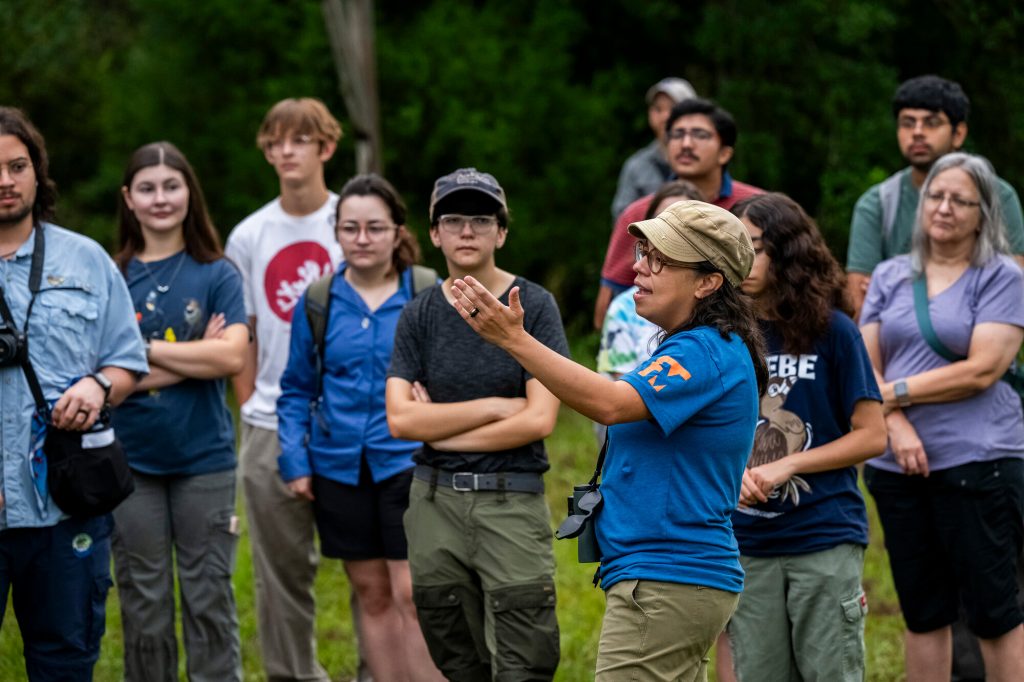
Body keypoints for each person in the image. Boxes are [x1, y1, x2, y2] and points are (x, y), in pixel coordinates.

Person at [451, 199, 766, 681]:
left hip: (669, 575)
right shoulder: (701, 344)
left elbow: (611, 403)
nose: (638, 267)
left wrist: (515, 340)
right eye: (642, 251)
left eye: (660, 258)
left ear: (708, 282)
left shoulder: (704, 349)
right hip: (671, 577)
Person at [385, 168, 568, 680]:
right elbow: (400, 419)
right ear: (435, 233)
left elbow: (538, 419)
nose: (467, 231)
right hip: (434, 503)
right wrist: (496, 406)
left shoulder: (533, 306)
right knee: (456, 656)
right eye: (454, 219)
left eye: (481, 220)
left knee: (525, 658)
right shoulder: (418, 315)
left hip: (510, 499)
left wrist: (436, 426)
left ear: (501, 233)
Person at [860, 152, 1024, 681]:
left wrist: (894, 396)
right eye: (935, 195)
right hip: (895, 467)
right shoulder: (888, 275)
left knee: (994, 610)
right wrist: (897, 422)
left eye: (961, 200)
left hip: (979, 462)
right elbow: (867, 369)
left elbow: (982, 370)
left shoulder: (1002, 277)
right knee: (921, 607)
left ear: (984, 214)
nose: (945, 208)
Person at [0, 106, 148, 680]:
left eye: (17, 165)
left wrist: (99, 382)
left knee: (65, 662)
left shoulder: (85, 258)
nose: (5, 181)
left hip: (65, 507)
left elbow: (129, 359)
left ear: (38, 173)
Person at [277, 174, 442, 682]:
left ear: (397, 230)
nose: (362, 238)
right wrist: (294, 460)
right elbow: (296, 389)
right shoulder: (319, 301)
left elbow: (456, 372)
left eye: (375, 227)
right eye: (350, 227)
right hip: (339, 466)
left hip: (409, 462)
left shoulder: (426, 291)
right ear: (337, 232)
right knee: (370, 593)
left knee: (413, 593)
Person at [725, 193, 887, 681]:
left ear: (788, 252)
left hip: (823, 534)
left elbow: (872, 435)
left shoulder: (834, 333)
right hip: (746, 540)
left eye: (753, 246)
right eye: (732, 247)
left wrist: (788, 464)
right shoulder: (723, 335)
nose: (742, 260)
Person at [109, 141, 250, 681]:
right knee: (143, 605)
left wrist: (139, 353)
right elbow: (105, 380)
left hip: (205, 461)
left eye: (172, 186)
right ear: (129, 198)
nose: (160, 198)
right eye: (147, 188)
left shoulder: (218, 273)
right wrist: (198, 358)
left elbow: (233, 355)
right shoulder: (111, 275)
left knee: (208, 595)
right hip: (130, 463)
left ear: (190, 193)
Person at [225, 97, 342, 681]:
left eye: (300, 140)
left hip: (353, 420)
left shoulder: (356, 221)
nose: (287, 151)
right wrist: (250, 402)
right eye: (276, 142)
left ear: (326, 147)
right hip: (271, 421)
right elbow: (241, 331)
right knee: (281, 574)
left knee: (377, 567)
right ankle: (294, 675)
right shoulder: (249, 235)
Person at [846, 75, 1024, 318]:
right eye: (907, 123)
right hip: (895, 352)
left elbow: (1012, 294)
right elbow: (860, 306)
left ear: (958, 133)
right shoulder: (877, 203)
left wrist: (890, 287)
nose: (917, 132)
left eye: (931, 122)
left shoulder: (998, 196)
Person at [595, 97, 763, 329]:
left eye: (700, 135)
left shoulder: (755, 206)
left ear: (725, 153)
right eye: (676, 134)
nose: (685, 144)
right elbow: (608, 303)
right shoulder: (638, 213)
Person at [610, 77, 697, 220]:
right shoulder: (636, 166)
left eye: (673, 108)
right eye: (658, 109)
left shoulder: (708, 160)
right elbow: (622, 221)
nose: (664, 116)